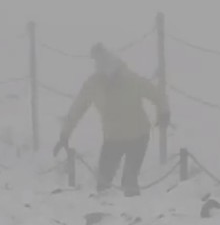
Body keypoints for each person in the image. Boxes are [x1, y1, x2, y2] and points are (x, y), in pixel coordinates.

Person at [53, 43, 170, 197]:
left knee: (129, 180)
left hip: (138, 135)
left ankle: (135, 213)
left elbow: (156, 94)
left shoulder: (130, 79)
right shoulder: (94, 85)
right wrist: (64, 135)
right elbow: (77, 109)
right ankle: (106, 214)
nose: (111, 78)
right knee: (103, 182)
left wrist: (163, 113)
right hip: (113, 138)